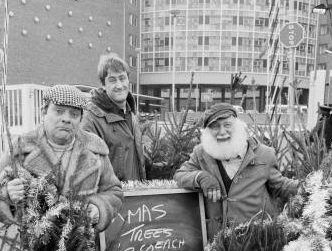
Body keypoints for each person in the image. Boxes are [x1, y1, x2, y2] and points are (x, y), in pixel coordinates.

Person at [0, 84, 123, 232]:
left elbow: (114, 191)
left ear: (81, 119)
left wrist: (99, 208)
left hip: (85, 246)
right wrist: (6, 194)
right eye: (59, 111)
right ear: (44, 112)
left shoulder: (95, 148)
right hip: (36, 249)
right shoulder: (20, 148)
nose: (66, 119)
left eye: (74, 114)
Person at [174, 103, 298, 239]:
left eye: (227, 125)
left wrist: (310, 187)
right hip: (217, 243)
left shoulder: (264, 154)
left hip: (255, 240)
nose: (222, 132)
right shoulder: (201, 153)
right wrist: (201, 177)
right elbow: (180, 176)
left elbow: (281, 186)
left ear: (238, 126)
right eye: (215, 127)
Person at [81, 54, 146, 181]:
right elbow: (87, 170)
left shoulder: (131, 116)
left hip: (136, 194)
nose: (119, 85)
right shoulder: (91, 120)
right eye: (112, 80)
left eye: (122, 78)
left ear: (128, 80)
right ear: (103, 85)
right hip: (111, 198)